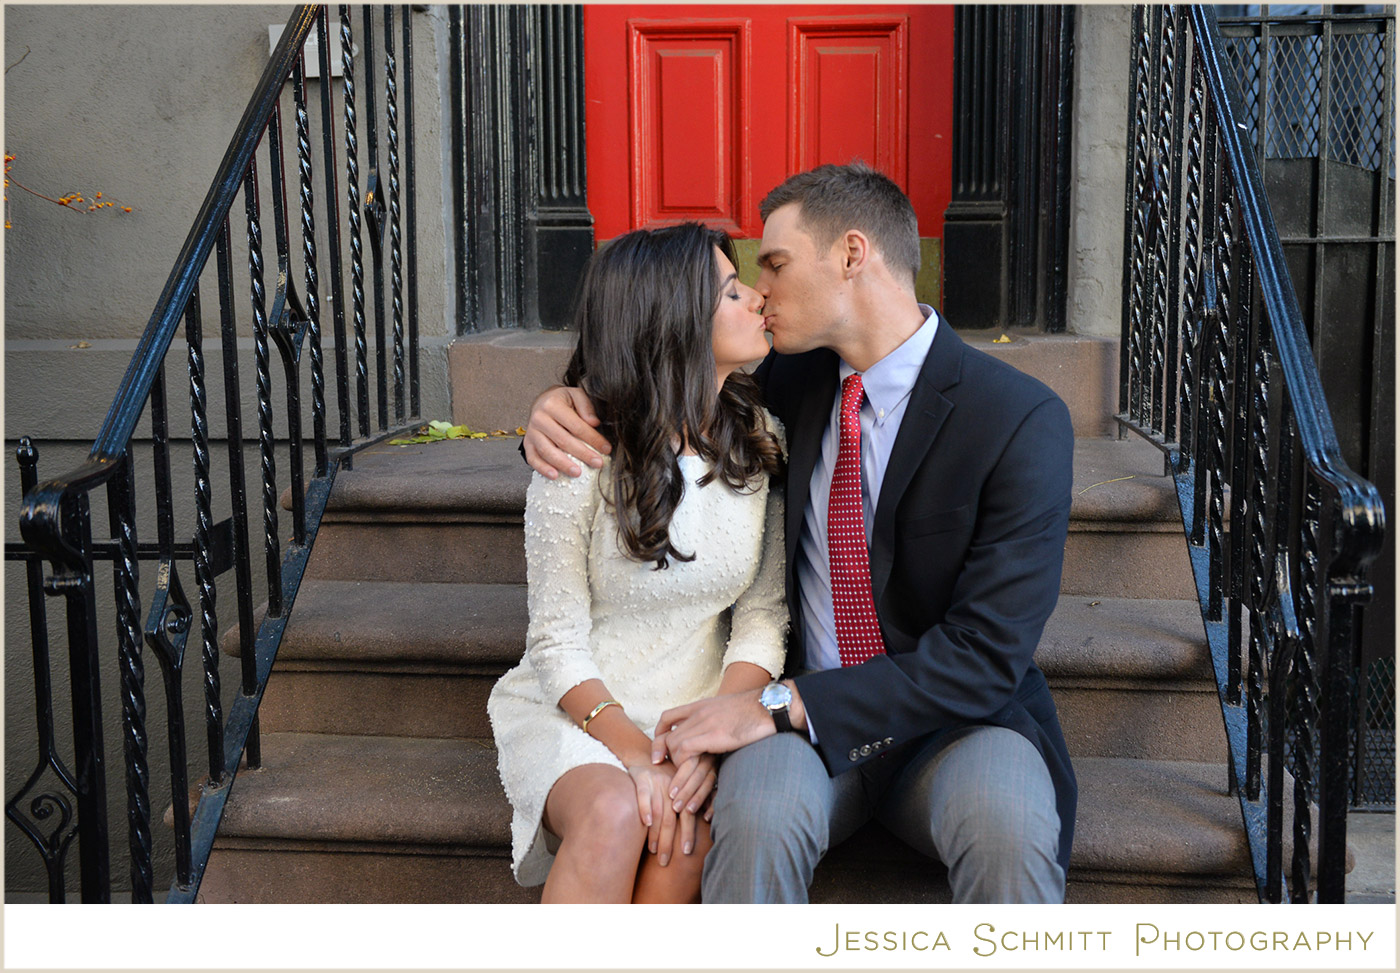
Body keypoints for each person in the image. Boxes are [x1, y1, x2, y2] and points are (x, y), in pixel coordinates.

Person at [523, 162, 1076, 903]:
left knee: (1009, 823)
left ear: (852, 256)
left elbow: (985, 654)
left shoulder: (1017, 419)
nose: (763, 292)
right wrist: (560, 411)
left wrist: (776, 706)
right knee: (750, 817)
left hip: (958, 723)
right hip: (800, 726)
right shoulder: (787, 381)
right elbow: (655, 386)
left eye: (776, 264)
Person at [488, 222, 788, 903]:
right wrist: (633, 753)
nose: (757, 300)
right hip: (581, 708)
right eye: (732, 292)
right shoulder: (579, 453)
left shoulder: (761, 439)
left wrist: (707, 735)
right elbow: (556, 641)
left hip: (698, 707)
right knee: (617, 811)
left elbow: (763, 619)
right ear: (673, 321)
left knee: (686, 832)